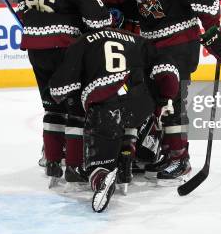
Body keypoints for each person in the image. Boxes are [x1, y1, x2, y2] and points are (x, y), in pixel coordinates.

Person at [118, 0, 221, 182]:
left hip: (179, 41)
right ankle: (158, 151)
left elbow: (208, 3)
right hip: (151, 42)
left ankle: (180, 158)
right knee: (151, 98)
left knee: (173, 98)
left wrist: (213, 33)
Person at [17, 0, 112, 186]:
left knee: (51, 107)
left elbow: (23, 5)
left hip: (34, 47)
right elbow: (98, 22)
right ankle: (73, 166)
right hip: (62, 48)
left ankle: (51, 164)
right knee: (73, 108)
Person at [49, 27, 179, 212]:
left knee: (98, 160)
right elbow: (166, 64)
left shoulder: (82, 42)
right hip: (139, 102)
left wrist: (59, 93)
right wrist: (166, 97)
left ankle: (101, 177)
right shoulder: (136, 39)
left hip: (106, 105)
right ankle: (127, 164)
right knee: (132, 119)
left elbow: (60, 89)